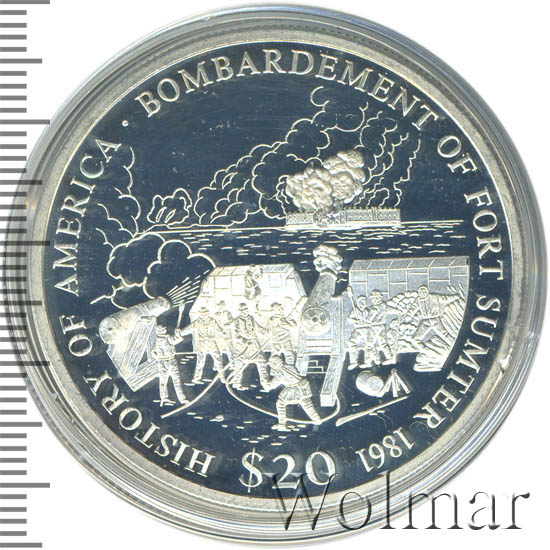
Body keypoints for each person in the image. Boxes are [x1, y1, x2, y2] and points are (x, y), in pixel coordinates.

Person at [264, 355, 321, 431]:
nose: (271, 366)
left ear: (275, 363)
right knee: (307, 404)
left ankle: (282, 424)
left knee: (280, 403)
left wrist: (265, 382)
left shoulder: (280, 373)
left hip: (293, 390)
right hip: (302, 387)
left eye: (272, 364)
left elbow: (272, 385)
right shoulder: (289, 367)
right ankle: (317, 419)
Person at [229, 302, 269, 390]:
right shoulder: (236, 321)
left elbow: (258, 328)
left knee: (262, 361)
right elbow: (236, 335)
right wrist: (245, 341)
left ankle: (266, 384)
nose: (245, 311)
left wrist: (267, 333)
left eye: (246, 309)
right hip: (242, 347)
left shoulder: (251, 318)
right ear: (239, 311)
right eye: (242, 310)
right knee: (239, 364)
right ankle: (236, 383)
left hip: (254, 344)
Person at [179, 306, 223, 384]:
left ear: (208, 313)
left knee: (218, 359)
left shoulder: (212, 321)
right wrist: (180, 332)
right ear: (200, 314)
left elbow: (218, 329)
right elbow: (188, 329)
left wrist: (223, 332)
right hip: (202, 344)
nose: (205, 315)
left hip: (212, 343)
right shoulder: (197, 322)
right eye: (203, 313)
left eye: (206, 313)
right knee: (200, 361)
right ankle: (196, 378)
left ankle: (222, 377)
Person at [152, 324, 188, 407]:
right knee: (172, 380)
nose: (164, 331)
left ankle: (177, 398)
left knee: (167, 380)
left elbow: (152, 352)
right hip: (167, 361)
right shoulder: (166, 338)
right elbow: (178, 339)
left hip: (165, 361)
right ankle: (176, 398)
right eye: (162, 330)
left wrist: (157, 357)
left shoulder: (159, 339)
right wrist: (178, 333)